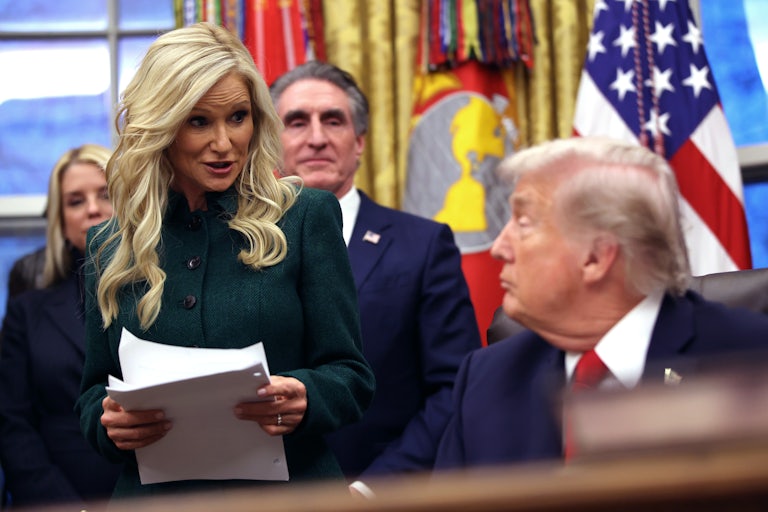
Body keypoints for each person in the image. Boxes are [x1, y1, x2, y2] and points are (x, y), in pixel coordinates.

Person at [75, 23, 375, 501]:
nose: (224, 143)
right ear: (161, 125)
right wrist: (107, 423)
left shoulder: (305, 217)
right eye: (199, 121)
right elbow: (93, 394)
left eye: (238, 117)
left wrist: (305, 397)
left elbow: (351, 375)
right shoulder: (109, 245)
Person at [434, 136, 768, 469]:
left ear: (596, 257)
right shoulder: (487, 379)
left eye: (523, 224)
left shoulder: (749, 359)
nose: (499, 247)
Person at [270, 61, 482, 491]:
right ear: (269, 142)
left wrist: (374, 490)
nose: (316, 138)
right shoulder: (235, 243)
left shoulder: (422, 246)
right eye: (296, 122)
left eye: (333, 120)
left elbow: (453, 389)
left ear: (359, 141)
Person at [0, 144, 121, 509]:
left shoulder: (169, 293)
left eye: (105, 194)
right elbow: (12, 423)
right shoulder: (28, 311)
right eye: (75, 201)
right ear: (61, 222)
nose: (93, 209)